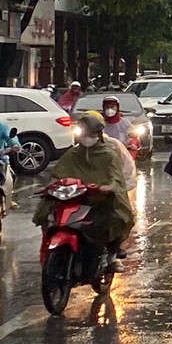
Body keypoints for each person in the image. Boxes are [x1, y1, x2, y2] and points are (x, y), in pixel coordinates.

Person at [33, 114, 134, 266]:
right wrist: (50, 186)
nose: (88, 137)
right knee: (48, 208)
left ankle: (112, 253)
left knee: (116, 215)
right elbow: (59, 173)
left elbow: (116, 177)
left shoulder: (109, 154)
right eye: (85, 133)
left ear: (99, 134)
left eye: (91, 134)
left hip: (99, 197)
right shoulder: (73, 154)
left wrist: (110, 187)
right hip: (74, 196)